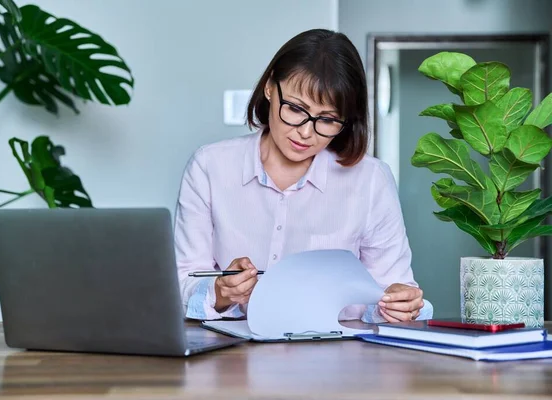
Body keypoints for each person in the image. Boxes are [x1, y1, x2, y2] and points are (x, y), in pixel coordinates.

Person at [174, 28, 433, 323]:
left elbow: (391, 291)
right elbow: (182, 283)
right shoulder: (209, 167)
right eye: (296, 109)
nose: (306, 132)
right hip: (231, 357)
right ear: (270, 87)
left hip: (341, 358)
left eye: (327, 119)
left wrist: (399, 305)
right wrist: (220, 292)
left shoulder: (371, 180)